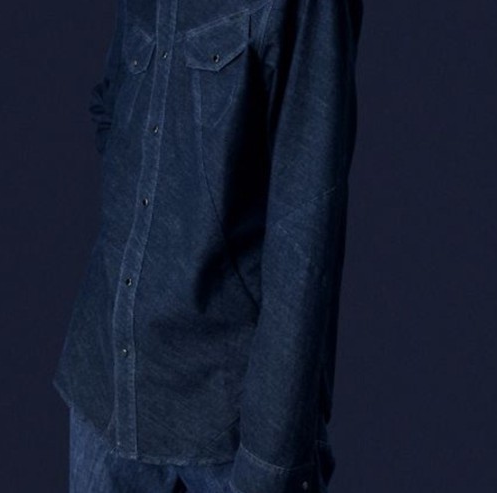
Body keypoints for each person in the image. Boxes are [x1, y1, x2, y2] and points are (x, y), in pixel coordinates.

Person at [53, 0, 364, 491]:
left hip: (227, 430)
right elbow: (113, 105)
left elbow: (306, 239)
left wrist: (269, 464)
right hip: (105, 390)